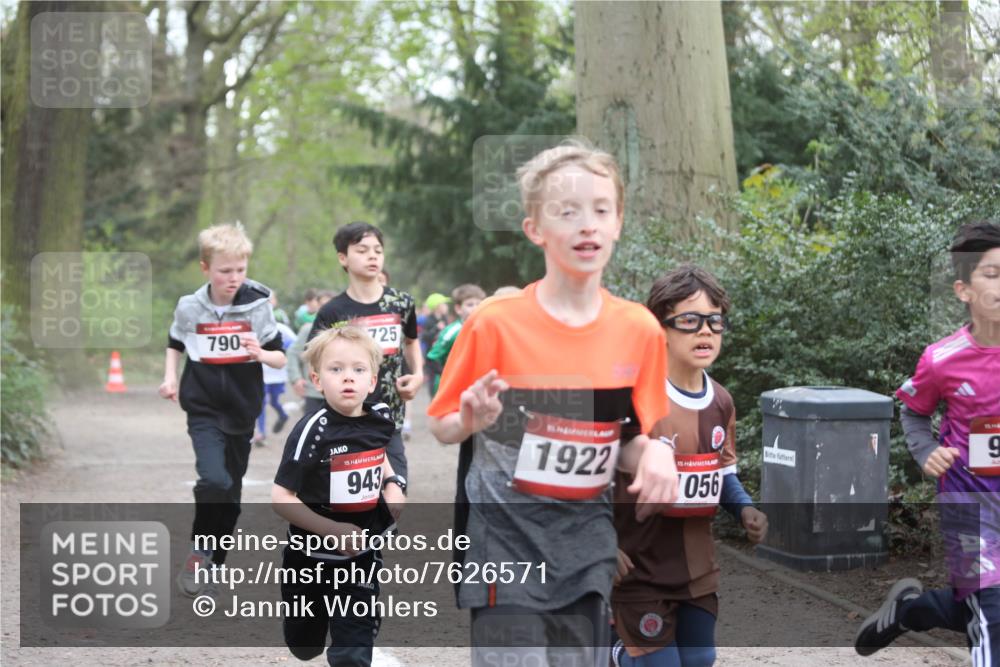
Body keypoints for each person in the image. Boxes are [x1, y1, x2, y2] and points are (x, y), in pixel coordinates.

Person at [426, 141, 679, 667]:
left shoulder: (638, 331)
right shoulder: (494, 322)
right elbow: (444, 426)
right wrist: (471, 419)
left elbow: (627, 441)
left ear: (618, 223)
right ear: (535, 229)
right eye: (568, 212)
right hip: (503, 539)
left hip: (585, 543)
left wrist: (655, 453)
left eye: (600, 210)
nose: (587, 224)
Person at [855, 220, 1000, 664]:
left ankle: (911, 609)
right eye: (992, 275)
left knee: (979, 606)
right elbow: (914, 412)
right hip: (970, 510)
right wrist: (925, 450)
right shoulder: (942, 360)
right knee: (992, 616)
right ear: (963, 290)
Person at [611, 264, 768, 667]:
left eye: (714, 321)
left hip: (697, 571)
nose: (705, 331)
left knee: (699, 660)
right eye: (689, 321)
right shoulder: (630, 396)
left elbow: (723, 472)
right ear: (658, 328)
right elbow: (591, 472)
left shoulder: (722, 402)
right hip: (637, 571)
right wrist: (599, 542)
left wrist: (745, 508)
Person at [158, 222, 286, 598]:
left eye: (240, 270)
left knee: (230, 493)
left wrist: (259, 353)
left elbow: (279, 358)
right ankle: (199, 553)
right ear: (205, 269)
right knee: (214, 480)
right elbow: (174, 342)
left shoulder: (258, 304)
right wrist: (170, 378)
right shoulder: (189, 306)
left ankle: (215, 559)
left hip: (242, 410)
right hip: (202, 407)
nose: (233, 278)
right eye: (224, 271)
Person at [272, 325, 406, 667]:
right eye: (336, 369)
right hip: (309, 559)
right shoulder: (312, 430)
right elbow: (281, 496)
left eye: (358, 370)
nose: (349, 378)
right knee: (304, 646)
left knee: (352, 649)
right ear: (317, 380)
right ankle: (307, 632)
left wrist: (393, 483)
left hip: (361, 554)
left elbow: (380, 453)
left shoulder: (380, 417)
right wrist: (330, 530)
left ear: (372, 381)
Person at [308, 221, 423, 485]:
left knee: (396, 489)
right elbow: (314, 359)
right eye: (362, 250)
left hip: (389, 417)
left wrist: (417, 375)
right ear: (343, 258)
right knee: (352, 499)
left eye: (378, 250)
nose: (372, 256)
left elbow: (411, 341)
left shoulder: (401, 303)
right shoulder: (332, 312)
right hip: (345, 420)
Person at [426, 283, 486, 395]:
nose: (475, 308)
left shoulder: (486, 329)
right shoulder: (453, 331)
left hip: (474, 387)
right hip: (450, 389)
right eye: (470, 305)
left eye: (478, 304)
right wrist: (450, 377)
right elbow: (432, 358)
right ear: (458, 309)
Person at [288, 290, 337, 415]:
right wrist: (296, 378)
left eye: (329, 304)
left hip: (339, 393)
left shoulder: (346, 331)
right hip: (313, 393)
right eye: (321, 305)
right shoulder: (308, 329)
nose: (325, 309)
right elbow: (293, 353)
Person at [254, 320, 297, 445]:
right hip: (261, 373)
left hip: (278, 373)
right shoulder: (255, 326)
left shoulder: (281, 328)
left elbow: (295, 344)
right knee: (261, 402)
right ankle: (261, 433)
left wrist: (281, 348)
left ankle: (283, 415)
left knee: (274, 401)